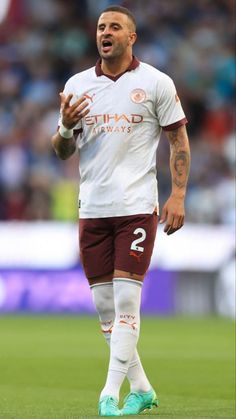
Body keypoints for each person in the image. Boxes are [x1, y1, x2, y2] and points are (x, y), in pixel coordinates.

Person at [51, 5, 190, 417]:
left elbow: (179, 142)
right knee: (106, 312)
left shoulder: (155, 83)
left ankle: (109, 394)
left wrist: (178, 195)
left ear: (132, 38)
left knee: (127, 303)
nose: (104, 32)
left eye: (114, 27)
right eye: (100, 27)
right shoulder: (77, 85)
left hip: (135, 208)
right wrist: (63, 126)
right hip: (92, 209)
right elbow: (61, 152)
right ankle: (142, 388)